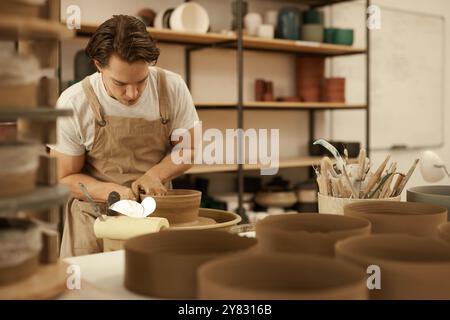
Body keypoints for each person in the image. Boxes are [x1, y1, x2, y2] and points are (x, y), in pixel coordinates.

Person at [49, 15, 198, 257]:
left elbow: (188, 149)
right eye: (120, 83)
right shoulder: (74, 102)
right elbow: (63, 177)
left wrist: (155, 175)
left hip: (155, 217)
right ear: (98, 65)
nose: (132, 93)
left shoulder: (172, 87)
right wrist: (113, 193)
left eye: (141, 81)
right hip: (95, 221)